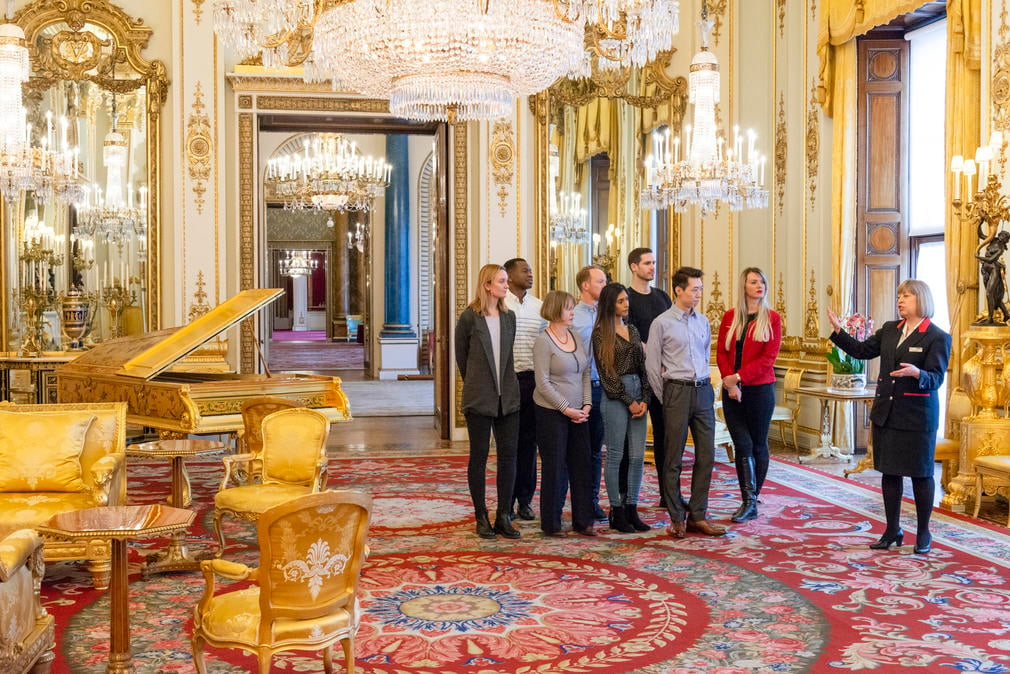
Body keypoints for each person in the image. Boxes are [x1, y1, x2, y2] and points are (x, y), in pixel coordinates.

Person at [827, 280, 950, 555]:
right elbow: (861, 351)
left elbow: (937, 379)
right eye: (899, 295)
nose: (900, 300)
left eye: (906, 295)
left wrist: (917, 374)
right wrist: (839, 331)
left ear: (921, 300)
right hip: (887, 413)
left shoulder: (937, 337)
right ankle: (892, 530)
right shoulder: (889, 330)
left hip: (918, 418)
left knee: (921, 475)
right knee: (890, 472)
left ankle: (923, 532)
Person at [646, 266, 726, 538]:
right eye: (695, 289)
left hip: (702, 390)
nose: (699, 294)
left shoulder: (702, 321)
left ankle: (698, 515)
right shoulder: (661, 323)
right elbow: (653, 367)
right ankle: (677, 517)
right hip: (676, 392)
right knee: (673, 459)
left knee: (707, 455)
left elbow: (704, 356)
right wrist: (666, 396)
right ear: (678, 290)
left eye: (701, 289)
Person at [454, 264, 522, 540]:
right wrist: (478, 383)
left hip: (508, 396)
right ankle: (481, 516)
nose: (507, 286)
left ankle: (504, 515)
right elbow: (462, 358)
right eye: (502, 281)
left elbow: (507, 358)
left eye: (506, 281)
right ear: (487, 285)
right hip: (479, 397)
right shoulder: (469, 318)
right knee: (479, 458)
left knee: (509, 456)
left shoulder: (510, 318)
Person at [716, 267, 782, 523]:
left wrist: (739, 377)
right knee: (741, 444)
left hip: (760, 390)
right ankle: (748, 500)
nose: (759, 285)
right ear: (744, 286)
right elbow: (721, 352)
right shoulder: (730, 317)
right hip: (731, 391)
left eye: (762, 281)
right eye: (754, 281)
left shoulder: (772, 318)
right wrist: (729, 382)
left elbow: (768, 359)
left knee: (757, 444)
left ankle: (750, 500)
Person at [533, 290, 596, 537]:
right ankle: (552, 523)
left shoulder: (576, 337)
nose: (572, 312)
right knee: (556, 467)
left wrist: (587, 405)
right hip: (552, 413)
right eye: (568, 308)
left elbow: (584, 373)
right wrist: (566, 409)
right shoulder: (543, 341)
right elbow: (543, 383)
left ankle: (583, 521)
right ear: (556, 310)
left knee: (582, 465)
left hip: (580, 412)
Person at [593, 282, 652, 533]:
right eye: (620, 301)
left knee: (638, 457)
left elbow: (644, 367)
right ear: (609, 304)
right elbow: (607, 376)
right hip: (616, 397)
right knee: (616, 455)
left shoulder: (634, 330)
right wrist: (629, 402)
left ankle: (632, 507)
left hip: (639, 393)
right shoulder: (600, 334)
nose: (626, 304)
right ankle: (616, 509)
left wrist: (645, 399)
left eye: (626, 299)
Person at [626, 247, 674, 509]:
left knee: (666, 437)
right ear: (634, 266)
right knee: (632, 439)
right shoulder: (627, 297)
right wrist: (653, 355)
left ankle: (668, 496)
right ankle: (627, 499)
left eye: (654, 262)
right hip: (636, 374)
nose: (652, 267)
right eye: (647, 263)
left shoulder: (662, 297)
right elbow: (630, 334)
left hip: (665, 375)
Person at [504, 257, 547, 521]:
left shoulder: (539, 307)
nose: (530, 273)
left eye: (531, 269)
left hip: (533, 382)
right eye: (524, 270)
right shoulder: (499, 303)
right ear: (509, 276)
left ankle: (525, 501)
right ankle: (506, 502)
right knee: (509, 444)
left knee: (530, 445)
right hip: (508, 381)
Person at [572, 265, 608, 522]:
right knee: (577, 451)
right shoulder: (572, 315)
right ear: (585, 285)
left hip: (604, 388)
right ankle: (578, 503)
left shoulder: (608, 315)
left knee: (597, 450)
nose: (605, 286)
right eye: (600, 281)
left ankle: (592, 501)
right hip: (578, 389)